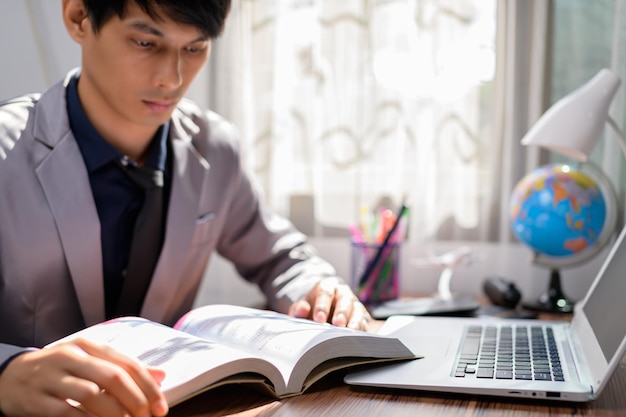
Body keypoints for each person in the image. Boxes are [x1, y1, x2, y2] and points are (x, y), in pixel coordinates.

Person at [0, 1, 371, 416]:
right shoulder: (5, 150)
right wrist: (7, 371)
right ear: (79, 18)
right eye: (145, 42)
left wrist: (319, 290)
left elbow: (281, 258)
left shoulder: (214, 147)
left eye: (194, 49)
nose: (172, 79)